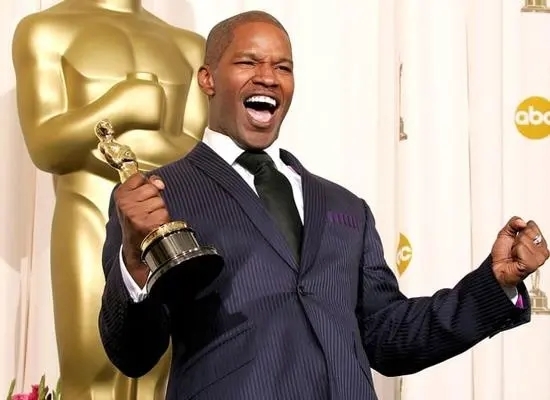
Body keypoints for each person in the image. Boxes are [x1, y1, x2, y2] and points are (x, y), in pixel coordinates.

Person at [98, 10, 550, 400]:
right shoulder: (157, 197)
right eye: (248, 62)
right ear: (208, 78)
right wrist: (135, 262)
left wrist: (494, 283)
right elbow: (132, 354)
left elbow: (388, 337)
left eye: (282, 67)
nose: (267, 77)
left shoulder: (346, 207)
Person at [11, 0, 207, 398]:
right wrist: (121, 105)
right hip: (86, 214)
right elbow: (46, 145)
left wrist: (105, 137)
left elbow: (193, 155)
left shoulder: (189, 46)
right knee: (92, 367)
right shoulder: (44, 30)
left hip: (168, 219)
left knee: (162, 375)